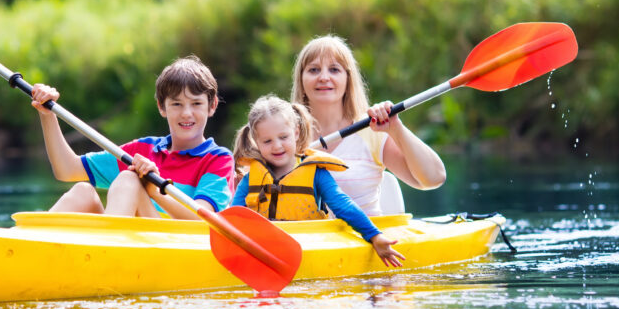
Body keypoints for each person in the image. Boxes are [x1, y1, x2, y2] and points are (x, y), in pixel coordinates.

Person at [29, 55, 234, 218]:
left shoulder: (218, 159)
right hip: (130, 242)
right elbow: (67, 169)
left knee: (129, 178)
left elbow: (201, 218)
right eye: (177, 104)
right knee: (83, 191)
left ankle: (107, 254)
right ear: (162, 107)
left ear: (212, 105)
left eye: (196, 104)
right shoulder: (143, 150)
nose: (187, 113)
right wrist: (47, 114)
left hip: (170, 249)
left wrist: (154, 188)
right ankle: (27, 245)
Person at [230, 95, 404, 267]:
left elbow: (343, 205)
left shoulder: (316, 173)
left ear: (296, 132)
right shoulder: (250, 179)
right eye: (267, 141)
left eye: (283, 137)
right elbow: (233, 218)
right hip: (265, 253)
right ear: (256, 142)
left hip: (310, 250)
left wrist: (374, 236)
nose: (277, 146)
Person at [291, 35, 446, 215]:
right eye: (314, 70)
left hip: (367, 239)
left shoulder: (372, 132)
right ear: (301, 78)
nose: (324, 77)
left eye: (334, 69)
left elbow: (433, 179)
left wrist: (396, 129)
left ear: (348, 79)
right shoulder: (282, 135)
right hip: (305, 239)